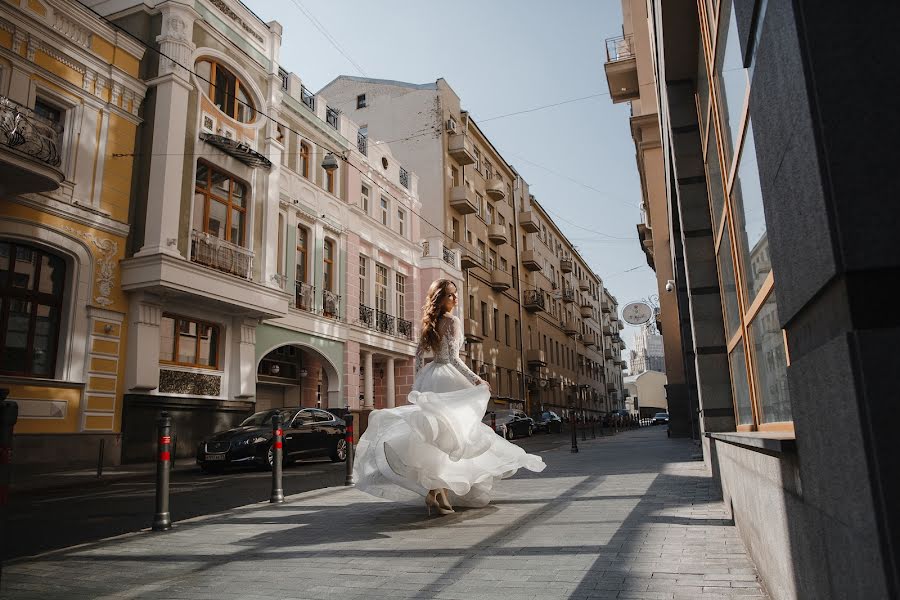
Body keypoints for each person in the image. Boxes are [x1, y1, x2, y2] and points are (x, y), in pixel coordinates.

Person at [353, 279, 546, 515]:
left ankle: (435, 492)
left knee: (435, 439)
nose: (455, 300)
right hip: (448, 378)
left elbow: (417, 357)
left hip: (430, 378)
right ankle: (438, 493)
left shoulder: (428, 324)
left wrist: (418, 382)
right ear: (440, 299)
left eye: (455, 295)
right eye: (450, 296)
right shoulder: (452, 322)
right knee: (453, 437)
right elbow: (454, 359)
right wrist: (476, 379)